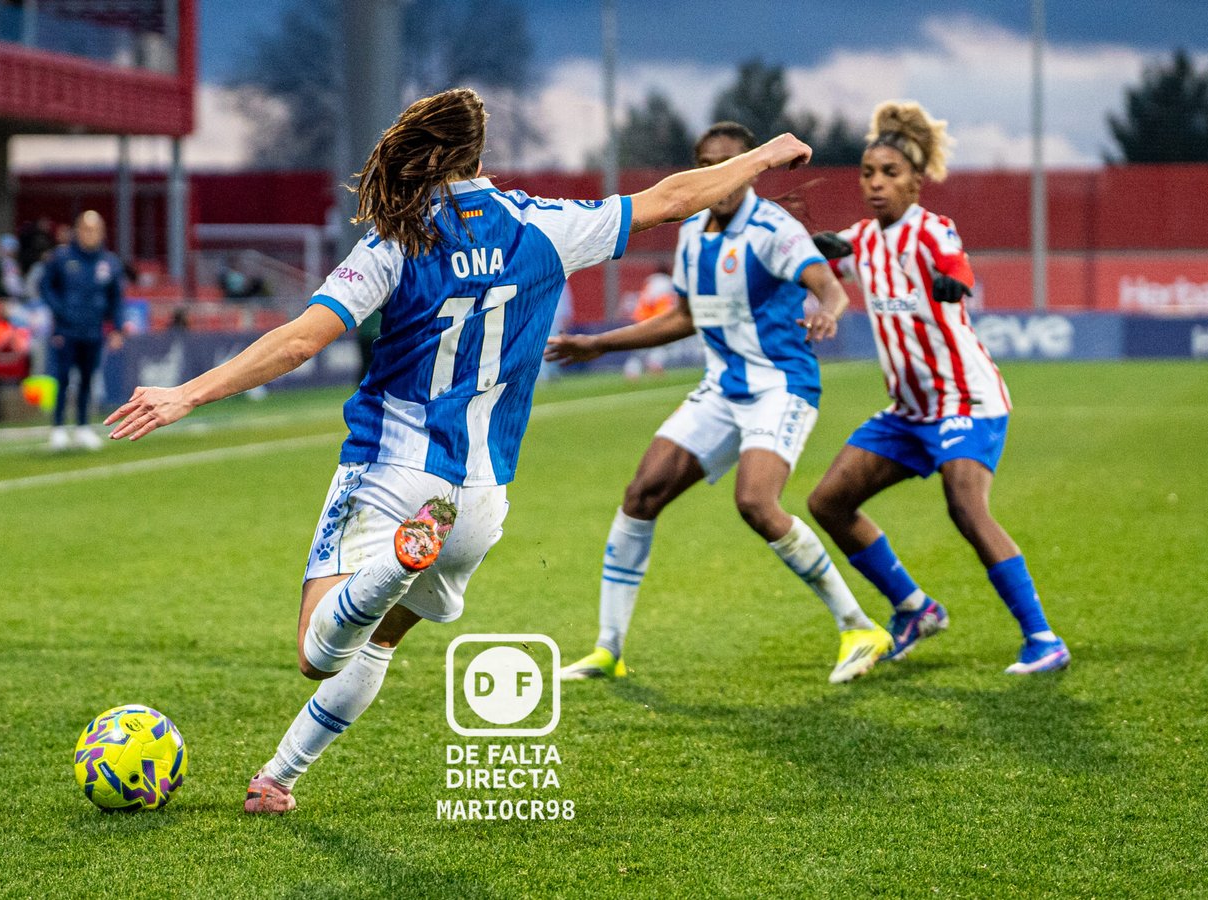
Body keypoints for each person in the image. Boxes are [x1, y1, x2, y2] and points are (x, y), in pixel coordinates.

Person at [103, 88, 813, 814]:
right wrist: (764, 155)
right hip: (479, 500)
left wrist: (186, 393)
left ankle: (387, 566)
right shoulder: (545, 225)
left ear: (422, 150)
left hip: (392, 473)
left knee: (320, 652)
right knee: (379, 643)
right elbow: (671, 199)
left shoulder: (396, 240)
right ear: (479, 154)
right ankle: (278, 779)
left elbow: (299, 341)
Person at [548, 122, 892, 686]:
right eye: (710, 163)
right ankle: (608, 648)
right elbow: (683, 318)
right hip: (721, 390)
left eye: (733, 162)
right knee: (642, 495)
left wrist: (830, 305)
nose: (722, 175)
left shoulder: (772, 229)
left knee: (756, 503)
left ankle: (859, 626)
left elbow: (827, 285)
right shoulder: (693, 233)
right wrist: (598, 343)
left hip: (779, 386)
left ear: (754, 165)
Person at [804, 101, 1069, 675]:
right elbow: (831, 253)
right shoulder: (863, 239)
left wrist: (955, 283)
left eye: (890, 174)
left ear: (917, 184)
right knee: (828, 502)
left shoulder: (932, 230)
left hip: (966, 400)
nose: (876, 184)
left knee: (966, 507)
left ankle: (1043, 639)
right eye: (868, 174)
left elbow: (958, 265)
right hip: (909, 412)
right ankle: (915, 607)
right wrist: (799, 244)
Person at [40, 210, 125, 451]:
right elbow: (46, 287)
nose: (90, 235)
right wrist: (60, 311)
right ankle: (57, 428)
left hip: (93, 330)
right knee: (62, 377)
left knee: (88, 379)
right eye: (86, 229)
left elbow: (116, 299)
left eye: (95, 229)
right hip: (66, 330)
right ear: (77, 231)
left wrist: (117, 328)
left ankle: (83, 427)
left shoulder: (108, 263)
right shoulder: (62, 258)